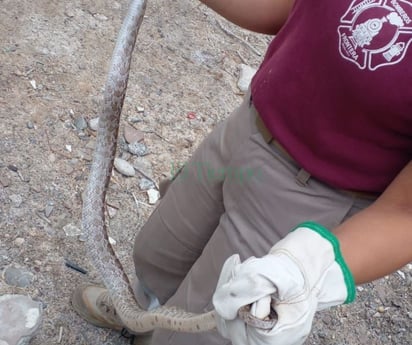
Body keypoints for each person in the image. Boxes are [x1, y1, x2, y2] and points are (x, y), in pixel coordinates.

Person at [72, 0, 412, 344]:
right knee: (161, 247)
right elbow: (293, 7)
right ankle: (141, 311)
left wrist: (310, 265)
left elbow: (406, 214)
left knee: (209, 326)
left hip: (315, 194)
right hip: (248, 124)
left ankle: (164, 335)